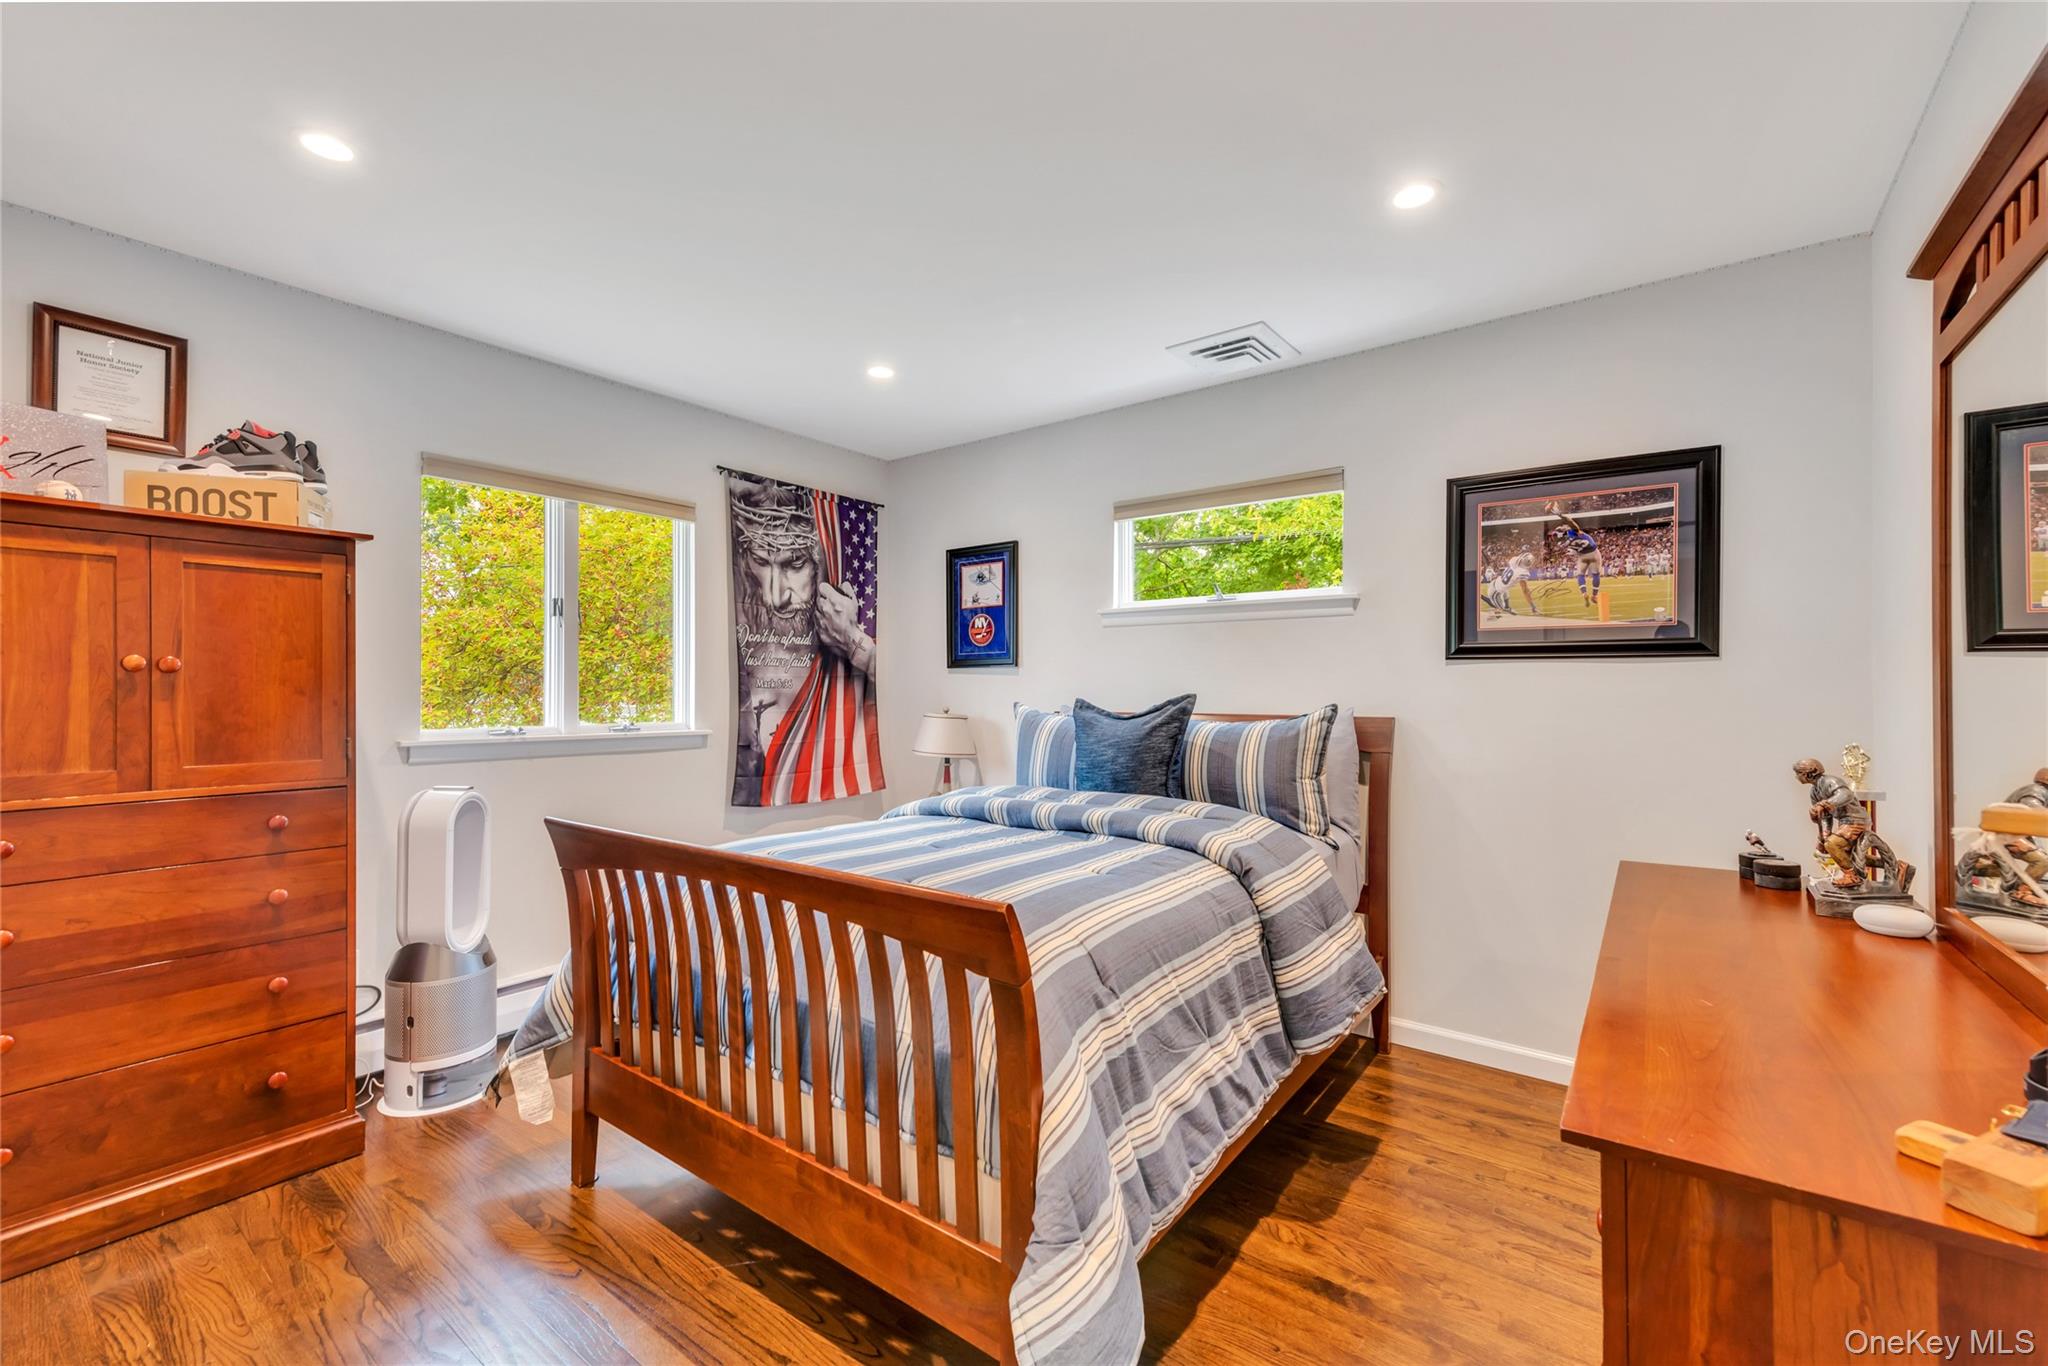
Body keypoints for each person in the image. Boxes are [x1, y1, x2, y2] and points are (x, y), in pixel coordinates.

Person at [1794, 757, 1912, 892]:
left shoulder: (1830, 781)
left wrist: (1825, 804)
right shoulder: (1814, 791)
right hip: (1845, 822)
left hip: (1856, 820)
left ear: (1808, 773)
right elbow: (1826, 817)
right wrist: (1824, 835)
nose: (1797, 777)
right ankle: (1897, 866)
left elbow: (1845, 795)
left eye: (1798, 773)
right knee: (1844, 852)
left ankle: (1851, 876)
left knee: (1832, 844)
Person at [1547, 503, 1603, 609]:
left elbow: (1572, 551)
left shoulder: (1563, 543)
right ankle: (1594, 595)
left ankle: (1584, 593)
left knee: (1581, 575)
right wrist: (1559, 514)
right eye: (1562, 527)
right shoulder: (1574, 532)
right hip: (1593, 552)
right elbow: (1570, 521)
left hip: (1582, 555)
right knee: (1596, 574)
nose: (1563, 526)